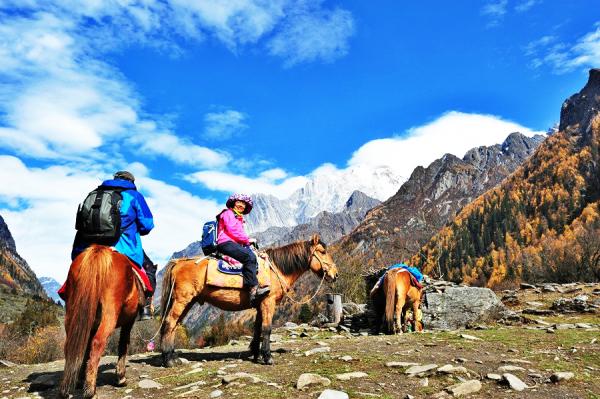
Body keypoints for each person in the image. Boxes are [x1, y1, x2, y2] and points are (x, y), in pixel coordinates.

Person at [71, 170, 155, 318]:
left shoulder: (95, 193)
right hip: (124, 247)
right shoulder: (134, 196)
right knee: (149, 269)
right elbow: (147, 225)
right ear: (132, 182)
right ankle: (145, 308)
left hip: (86, 247)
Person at [216, 194, 269, 305]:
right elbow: (233, 230)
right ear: (234, 202)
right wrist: (247, 240)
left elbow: (237, 232)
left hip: (232, 242)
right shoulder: (228, 213)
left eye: (244, 204)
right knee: (249, 257)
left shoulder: (238, 217)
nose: (241, 205)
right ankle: (253, 289)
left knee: (253, 255)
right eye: (239, 202)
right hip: (225, 242)